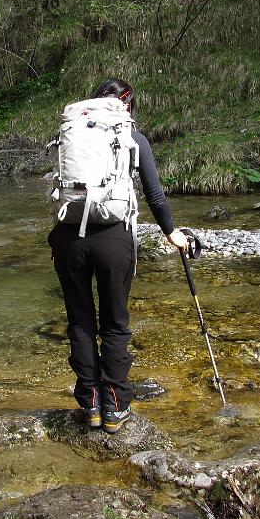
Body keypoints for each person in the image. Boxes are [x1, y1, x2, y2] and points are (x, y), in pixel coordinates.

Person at [47, 78, 188, 434]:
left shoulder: (72, 130)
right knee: (114, 322)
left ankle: (91, 404)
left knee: (80, 321)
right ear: (129, 107)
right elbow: (155, 195)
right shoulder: (132, 138)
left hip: (68, 236)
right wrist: (172, 233)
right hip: (113, 238)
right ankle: (114, 406)